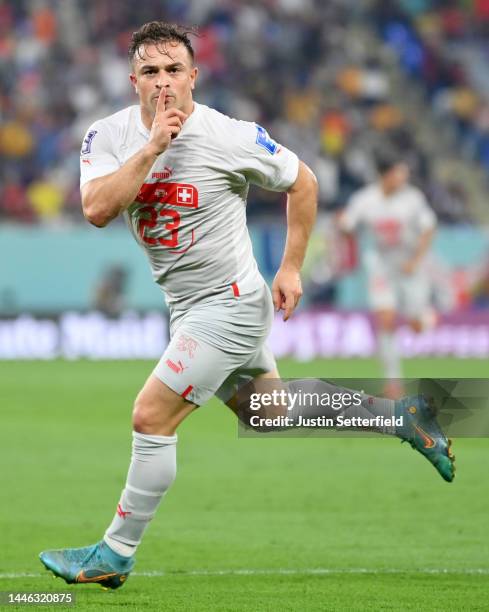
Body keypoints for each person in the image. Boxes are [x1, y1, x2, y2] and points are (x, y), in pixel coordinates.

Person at [39, 23, 454, 591]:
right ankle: (401, 416)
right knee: (269, 415)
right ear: (133, 79)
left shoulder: (228, 135)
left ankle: (115, 553)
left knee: (150, 416)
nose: (164, 83)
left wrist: (290, 267)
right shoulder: (106, 136)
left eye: (175, 70)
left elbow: (303, 182)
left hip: (230, 304)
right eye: (152, 72)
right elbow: (95, 207)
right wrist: (153, 146)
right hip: (188, 307)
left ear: (194, 76)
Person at [339, 153, 438, 399]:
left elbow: (428, 229)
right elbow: (348, 225)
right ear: (385, 175)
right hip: (382, 265)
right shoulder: (365, 199)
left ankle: (424, 318)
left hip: (409, 266)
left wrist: (415, 260)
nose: (403, 177)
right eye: (398, 172)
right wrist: (343, 226)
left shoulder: (413, 198)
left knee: (416, 324)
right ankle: (393, 383)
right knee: (385, 318)